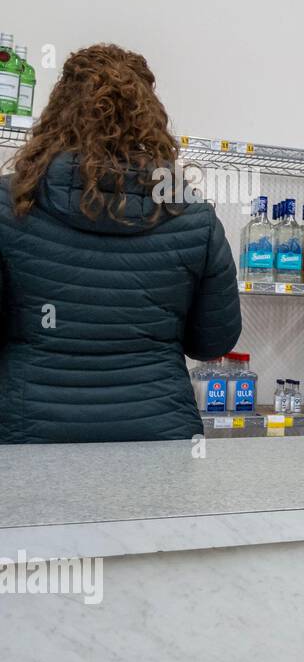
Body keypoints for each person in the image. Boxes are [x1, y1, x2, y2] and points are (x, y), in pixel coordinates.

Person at [0, 44, 241, 443]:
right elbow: (212, 342)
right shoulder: (193, 217)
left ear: (58, 111)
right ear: (150, 117)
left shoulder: (10, 205)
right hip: (158, 436)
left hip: (31, 436)